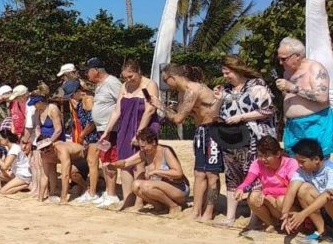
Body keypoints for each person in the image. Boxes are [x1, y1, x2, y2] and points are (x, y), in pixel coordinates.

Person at [216, 55, 277, 226]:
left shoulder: (256, 85)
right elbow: (218, 112)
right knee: (231, 174)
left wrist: (242, 117)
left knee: (254, 175)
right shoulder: (226, 90)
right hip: (231, 138)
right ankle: (230, 217)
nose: (225, 76)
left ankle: (255, 219)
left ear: (237, 69)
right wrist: (219, 99)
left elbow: (268, 109)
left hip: (253, 138)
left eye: (227, 72)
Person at [160, 63, 222, 223]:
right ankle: (196, 210)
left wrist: (160, 106)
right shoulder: (183, 93)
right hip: (201, 130)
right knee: (199, 173)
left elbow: (179, 119)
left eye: (166, 81)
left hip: (213, 130)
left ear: (173, 77)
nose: (167, 85)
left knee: (211, 174)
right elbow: (180, 114)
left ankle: (209, 211)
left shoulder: (192, 90)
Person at [101, 60, 160, 209]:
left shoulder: (150, 85)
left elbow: (150, 110)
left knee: (138, 162)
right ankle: (128, 198)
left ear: (138, 71)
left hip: (144, 127)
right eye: (125, 77)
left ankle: (140, 201)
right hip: (125, 127)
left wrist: (138, 134)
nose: (128, 80)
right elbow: (117, 111)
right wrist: (107, 131)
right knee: (124, 162)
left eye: (131, 76)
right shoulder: (124, 86)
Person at [106, 128, 187, 215]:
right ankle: (159, 206)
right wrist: (114, 165)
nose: (142, 149)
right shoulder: (144, 153)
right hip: (159, 187)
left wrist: (156, 171)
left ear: (153, 142)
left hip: (178, 189)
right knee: (135, 186)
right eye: (140, 147)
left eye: (144, 147)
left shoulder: (165, 151)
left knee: (146, 185)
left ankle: (174, 206)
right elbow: (126, 163)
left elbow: (178, 173)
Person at [274, 37, 333, 157]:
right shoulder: (287, 72)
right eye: (279, 58)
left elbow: (322, 97)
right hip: (293, 126)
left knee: (316, 162)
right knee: (296, 165)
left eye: (284, 59)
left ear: (297, 56)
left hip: (314, 124)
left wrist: (293, 88)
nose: (280, 62)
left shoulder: (314, 68)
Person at [234, 135, 298, 235]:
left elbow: (293, 190)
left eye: (266, 156)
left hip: (289, 203)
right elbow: (248, 180)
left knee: (281, 200)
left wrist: (267, 191)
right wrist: (241, 188)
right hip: (271, 202)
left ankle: (293, 226)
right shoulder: (257, 163)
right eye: (260, 155)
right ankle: (270, 224)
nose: (263, 159)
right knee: (253, 197)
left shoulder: (291, 163)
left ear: (278, 154)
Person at [83, 57, 123, 207]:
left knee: (110, 159)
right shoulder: (99, 85)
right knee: (104, 159)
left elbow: (121, 103)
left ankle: (112, 194)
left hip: (111, 129)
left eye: (88, 71)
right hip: (102, 130)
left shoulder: (112, 82)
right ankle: (108, 191)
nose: (87, 74)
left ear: (96, 71)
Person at [281, 138, 333, 244]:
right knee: (303, 189)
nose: (299, 165)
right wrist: (285, 214)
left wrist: (302, 214)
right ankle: (322, 231)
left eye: (302, 162)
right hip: (324, 211)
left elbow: (327, 195)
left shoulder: (330, 169)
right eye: (298, 162)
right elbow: (291, 191)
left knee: (329, 196)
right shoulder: (302, 171)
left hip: (330, 207)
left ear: (316, 159)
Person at [0, 129, 32, 195]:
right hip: (18, 172)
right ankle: (18, 184)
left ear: (7, 139)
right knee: (0, 173)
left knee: (3, 191)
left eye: (0, 139)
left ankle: (26, 185)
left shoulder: (14, 149)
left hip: (23, 174)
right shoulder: (12, 147)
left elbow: (5, 166)